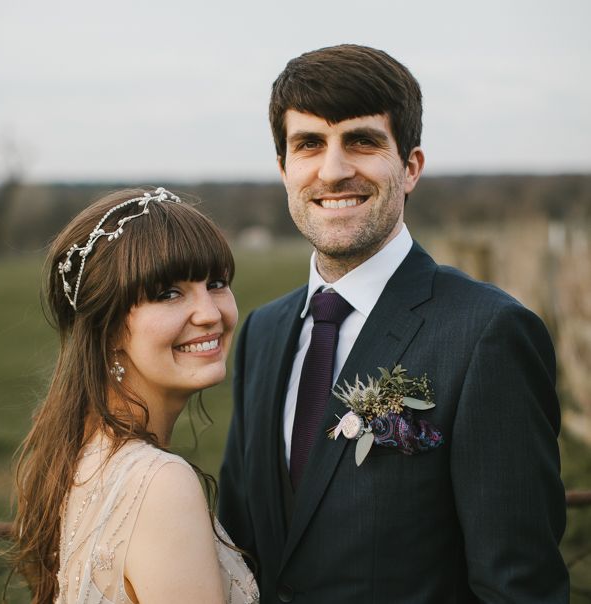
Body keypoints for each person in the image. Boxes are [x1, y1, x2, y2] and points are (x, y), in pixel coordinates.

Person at [218, 45, 569, 603]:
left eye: (361, 140)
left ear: (409, 168)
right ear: (285, 170)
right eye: (309, 144)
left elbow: (518, 586)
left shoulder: (489, 334)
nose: (333, 171)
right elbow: (240, 542)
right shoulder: (262, 331)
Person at [10, 188, 259, 603]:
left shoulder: (83, 451)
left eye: (216, 283)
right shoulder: (160, 484)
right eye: (169, 294)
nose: (210, 313)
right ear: (109, 329)